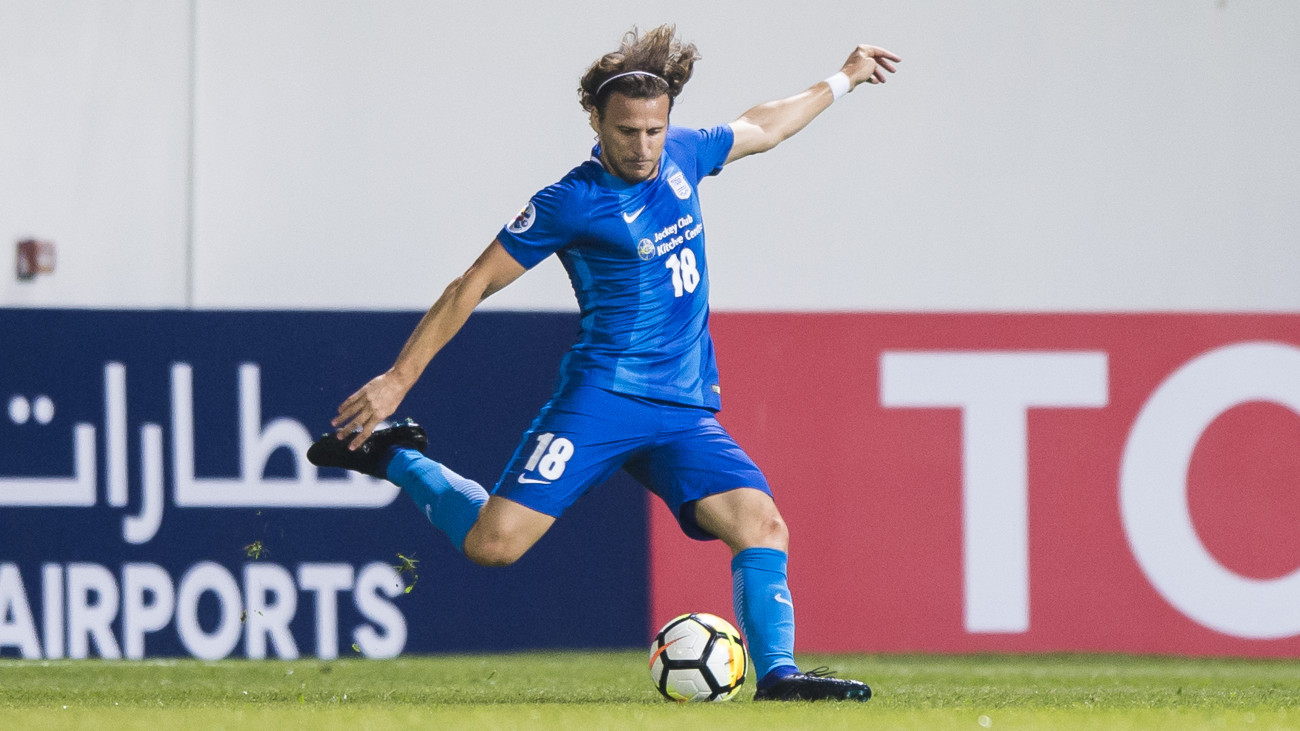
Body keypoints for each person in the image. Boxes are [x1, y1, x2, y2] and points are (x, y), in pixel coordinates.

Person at [309, 24, 899, 701]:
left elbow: (765, 126)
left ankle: (781, 676)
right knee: (493, 545)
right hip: (604, 397)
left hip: (682, 408)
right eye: (627, 132)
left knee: (762, 523)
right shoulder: (571, 201)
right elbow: (472, 283)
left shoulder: (683, 154)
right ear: (595, 120)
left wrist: (844, 78)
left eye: (653, 129)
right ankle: (396, 454)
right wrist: (396, 379)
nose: (643, 146)